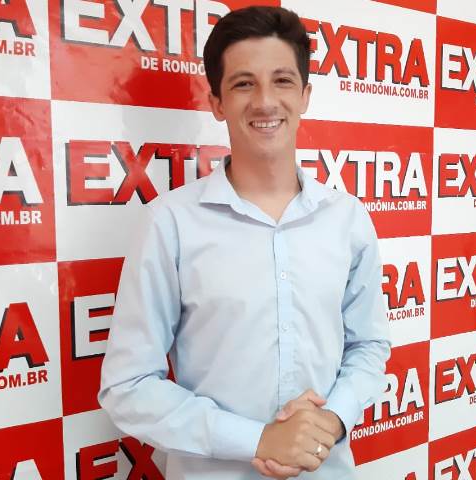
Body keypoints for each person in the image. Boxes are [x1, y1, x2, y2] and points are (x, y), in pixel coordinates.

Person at [98, 6, 391, 480]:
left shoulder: (348, 218)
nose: (265, 101)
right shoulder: (170, 223)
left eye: (282, 81)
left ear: (305, 95)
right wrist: (257, 439)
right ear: (216, 102)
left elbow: (369, 344)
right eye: (243, 84)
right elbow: (127, 386)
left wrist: (332, 420)